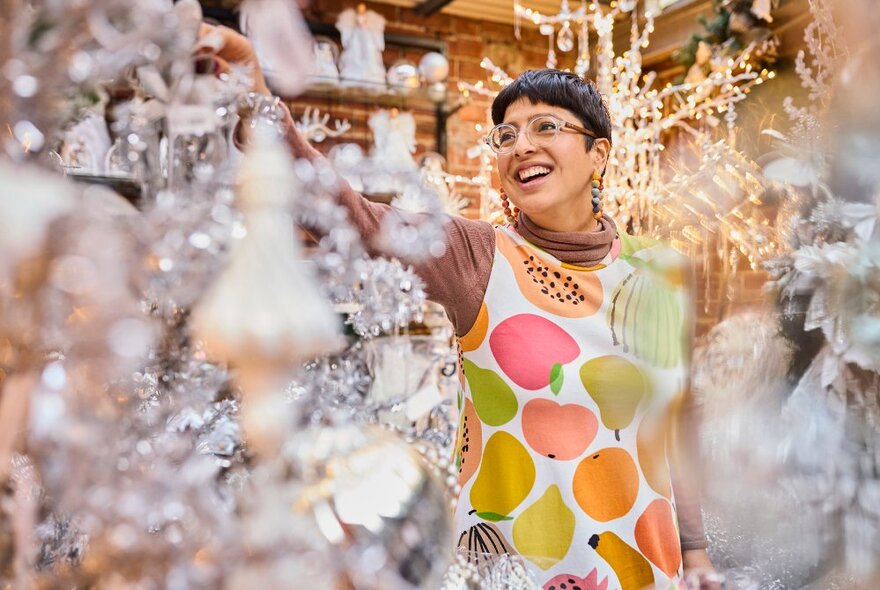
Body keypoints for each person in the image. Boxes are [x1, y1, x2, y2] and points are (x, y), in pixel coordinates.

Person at [205, 25, 720, 590]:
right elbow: (346, 212)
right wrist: (259, 107)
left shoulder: (663, 270)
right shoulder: (476, 257)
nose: (520, 146)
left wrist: (695, 554)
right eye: (506, 135)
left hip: (644, 565)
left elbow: (676, 427)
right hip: (514, 570)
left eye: (546, 126)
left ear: (599, 153)